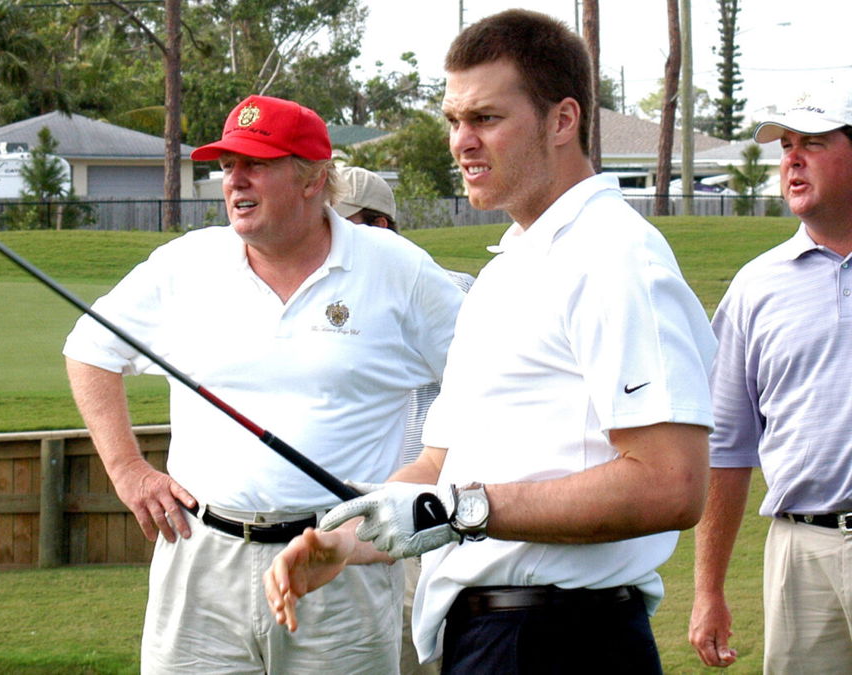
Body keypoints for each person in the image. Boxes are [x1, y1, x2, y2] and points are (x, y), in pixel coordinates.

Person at [263, 10, 717, 673]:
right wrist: (346, 536)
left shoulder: (615, 256)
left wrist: (463, 509)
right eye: (453, 121)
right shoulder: (504, 272)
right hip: (491, 635)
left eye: (485, 118)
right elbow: (439, 466)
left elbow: (673, 484)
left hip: (565, 639)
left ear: (563, 121)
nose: (461, 142)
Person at [63, 94, 466, 674]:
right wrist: (128, 470)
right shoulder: (186, 264)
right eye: (228, 165)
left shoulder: (396, 269)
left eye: (257, 163)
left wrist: (432, 474)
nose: (235, 181)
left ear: (312, 179)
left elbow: (483, 377)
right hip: (200, 560)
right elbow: (89, 348)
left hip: (337, 562)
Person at [689, 80, 852, 672]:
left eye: (812, 141)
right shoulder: (756, 288)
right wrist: (708, 590)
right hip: (798, 552)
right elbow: (728, 446)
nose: (792, 160)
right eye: (786, 146)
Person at [336, 165, 472, 675]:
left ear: (379, 228)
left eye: (339, 225)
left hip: (422, 524)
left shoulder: (458, 294)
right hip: (353, 524)